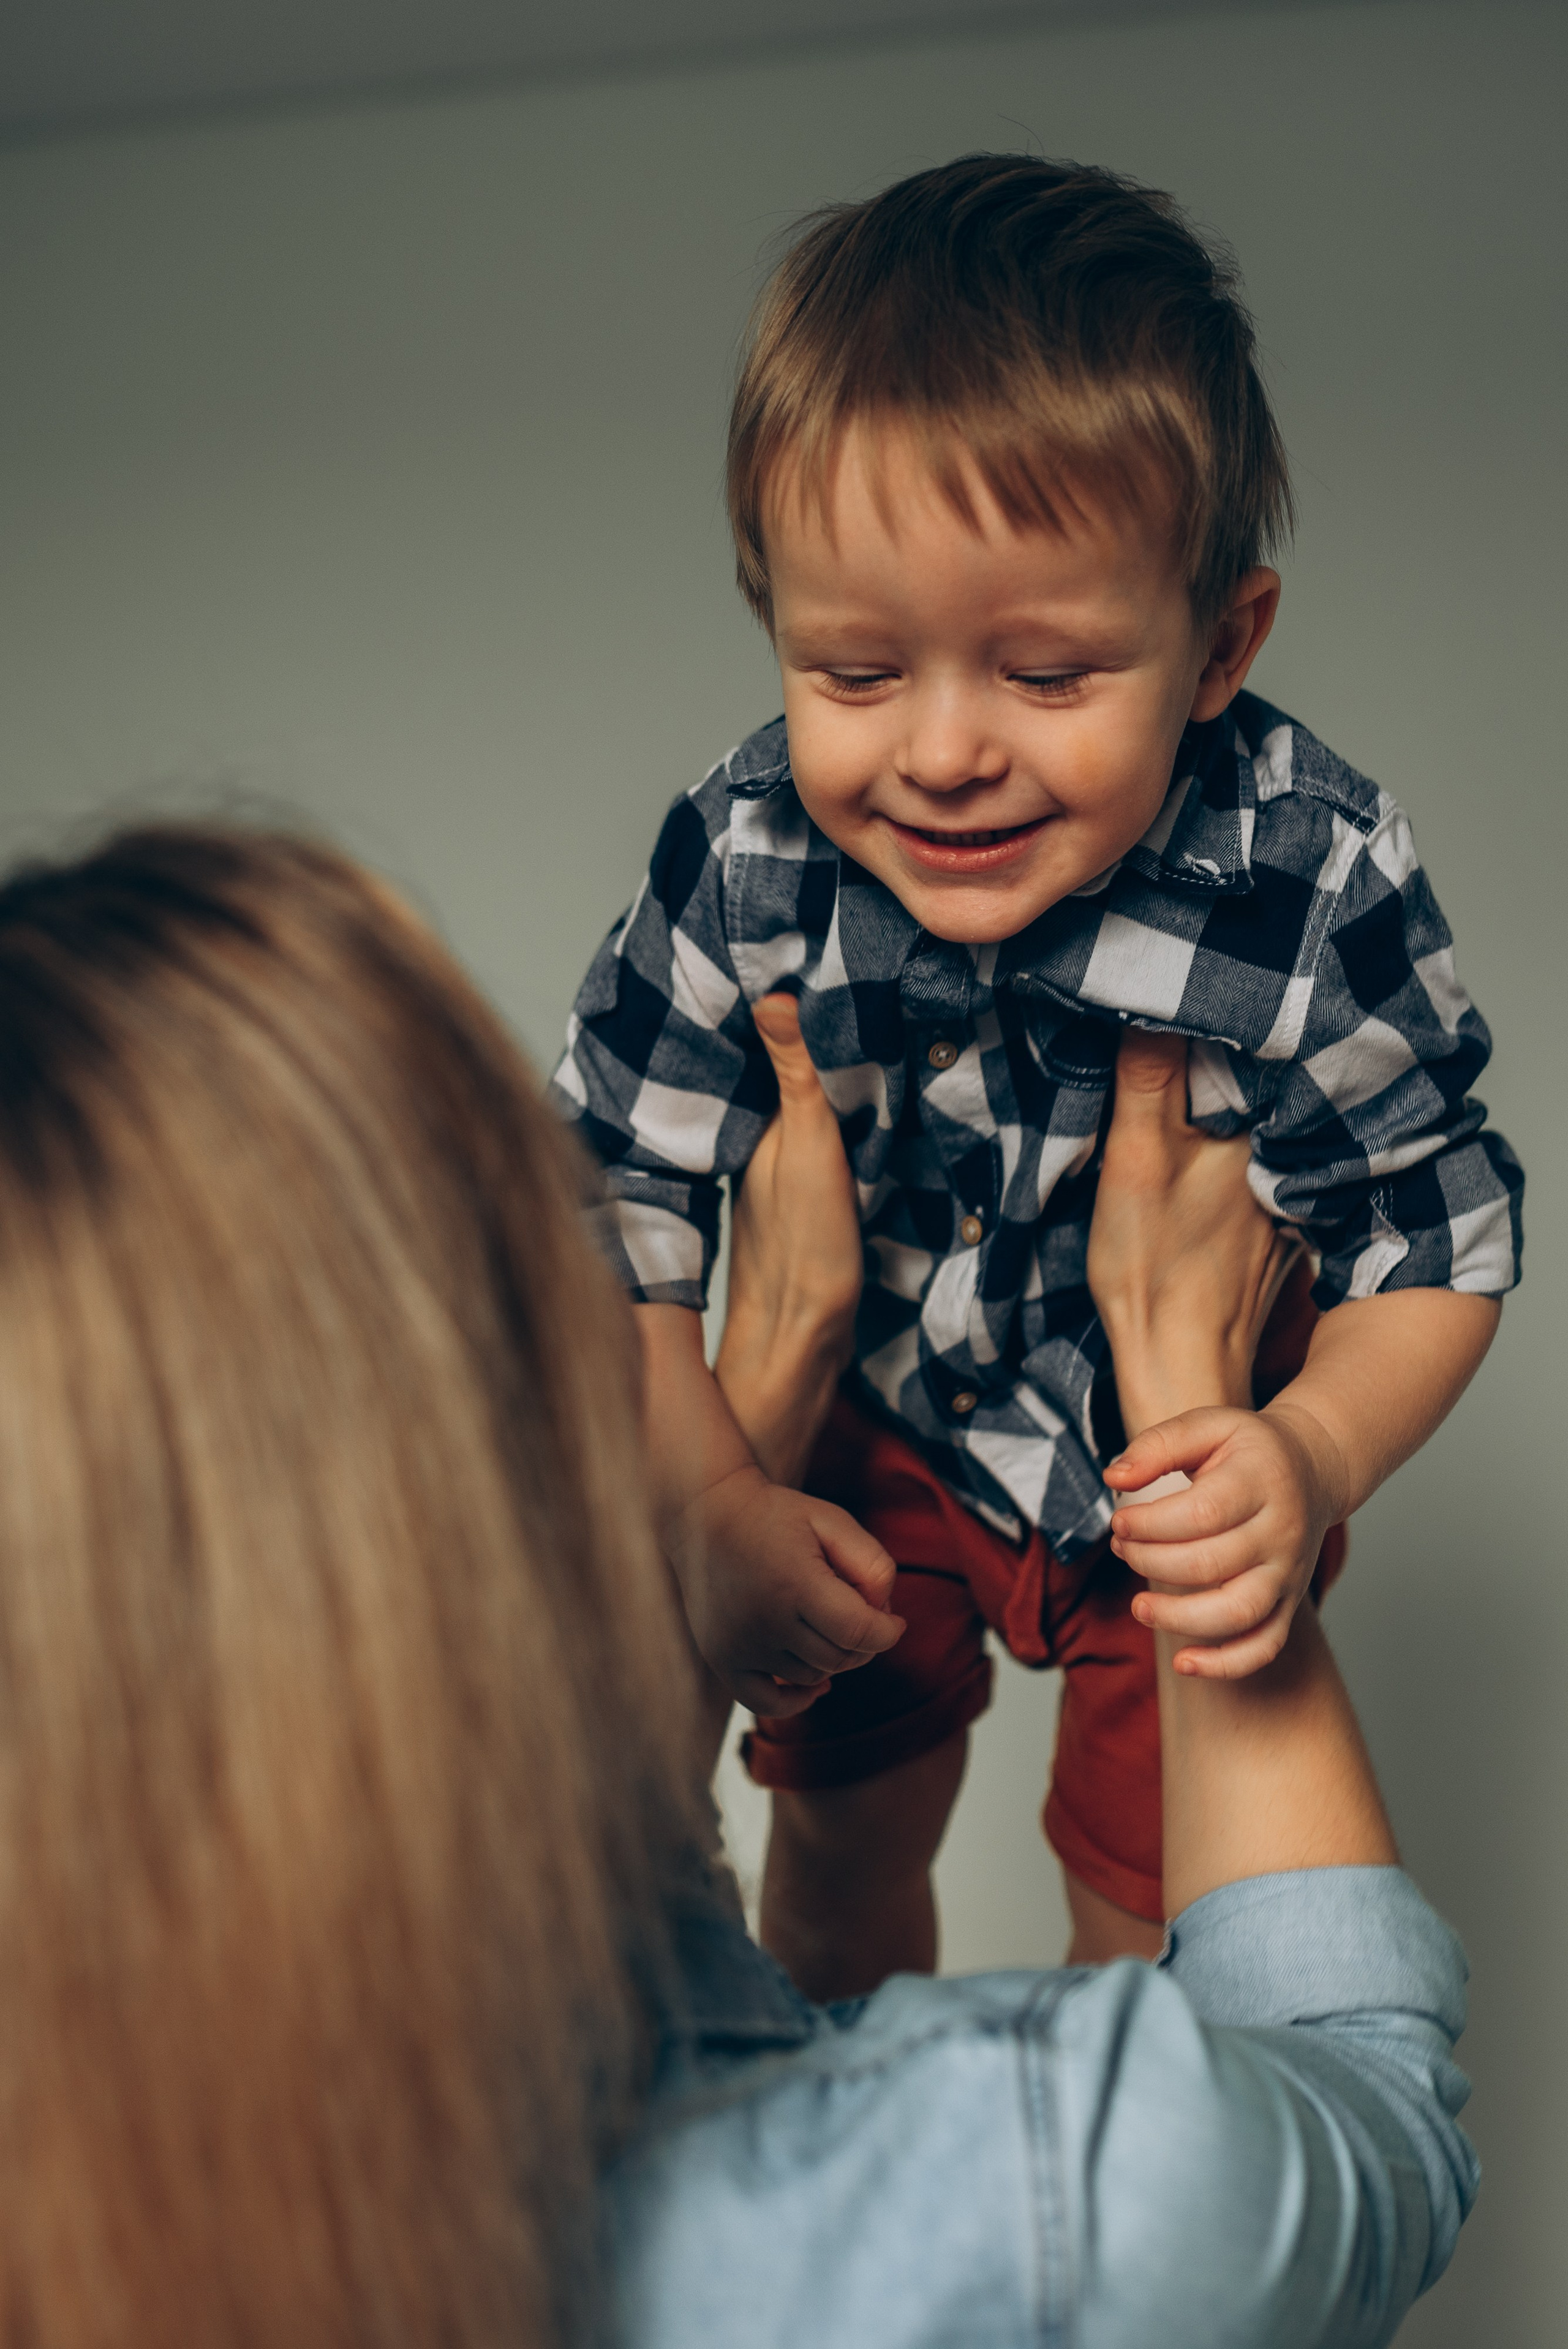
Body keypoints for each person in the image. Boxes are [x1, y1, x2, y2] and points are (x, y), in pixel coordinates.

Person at [0, 819, 1476, 2348]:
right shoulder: (1040, 2181)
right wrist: (1183, 1387)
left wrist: (747, 1405)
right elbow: (1364, 2101)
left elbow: (590, 1963)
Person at [551, 153, 1523, 1983]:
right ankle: (854, 2194)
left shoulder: (1305, 876)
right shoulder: (746, 857)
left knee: (1152, 1913)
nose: (940, 750)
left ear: (1220, 642)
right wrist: (704, 1503)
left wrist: (1306, 1456)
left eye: (1049, 674)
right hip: (879, 1421)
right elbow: (619, 1203)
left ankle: (1092, 2214)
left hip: (1172, 1443)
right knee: (837, 1838)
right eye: (851, 670)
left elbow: (1439, 1235)